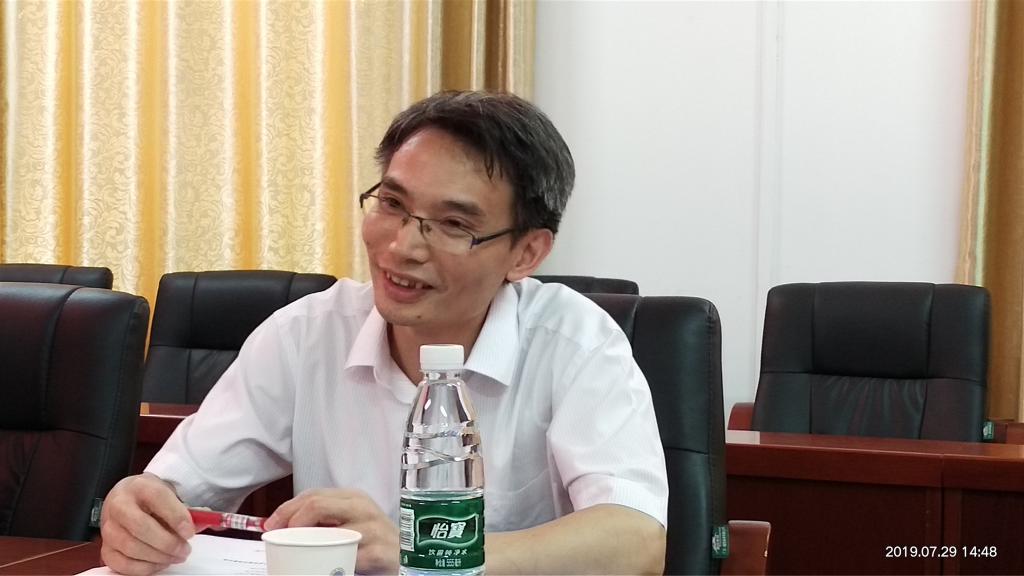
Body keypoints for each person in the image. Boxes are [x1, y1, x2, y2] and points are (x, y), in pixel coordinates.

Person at [100, 91, 668, 575]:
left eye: (453, 224)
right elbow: (177, 488)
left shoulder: (575, 343)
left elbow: (637, 539)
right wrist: (140, 509)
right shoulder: (306, 334)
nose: (402, 246)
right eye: (392, 203)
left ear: (526, 253)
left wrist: (427, 554)